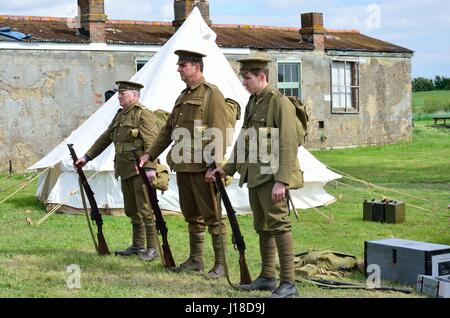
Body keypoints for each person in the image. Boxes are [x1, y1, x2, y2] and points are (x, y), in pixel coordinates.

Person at [207, 57, 303, 298]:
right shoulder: (253, 102)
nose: (244, 82)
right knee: (263, 227)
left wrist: (283, 180)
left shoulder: (279, 103)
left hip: (272, 176)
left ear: (262, 76)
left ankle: (289, 283)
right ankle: (268, 277)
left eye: (247, 78)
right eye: (243, 77)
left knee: (279, 225)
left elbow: (289, 143)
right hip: (255, 175)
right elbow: (243, 138)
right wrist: (227, 169)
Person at [139, 49, 228, 279]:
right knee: (191, 214)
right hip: (183, 166)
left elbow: (220, 132)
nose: (179, 69)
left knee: (213, 216)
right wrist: (149, 155)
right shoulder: (182, 96)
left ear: (196, 67)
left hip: (203, 168)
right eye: (179, 65)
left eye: (183, 65)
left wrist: (215, 166)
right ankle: (196, 260)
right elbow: (167, 131)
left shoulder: (212, 94)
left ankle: (221, 264)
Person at [75, 80, 159, 262]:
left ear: (134, 95)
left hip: (140, 170)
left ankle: (153, 248)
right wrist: (87, 157)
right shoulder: (120, 115)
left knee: (146, 210)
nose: (119, 96)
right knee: (132, 210)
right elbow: (106, 137)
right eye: (119, 93)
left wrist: (151, 168)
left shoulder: (143, 115)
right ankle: (138, 245)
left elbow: (152, 144)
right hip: (125, 168)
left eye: (123, 93)